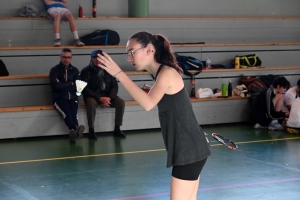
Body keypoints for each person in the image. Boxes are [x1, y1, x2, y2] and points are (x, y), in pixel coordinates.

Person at [95, 31, 211, 200]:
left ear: (149, 49)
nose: (130, 58)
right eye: (127, 54)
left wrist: (119, 74)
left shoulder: (167, 73)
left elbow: (148, 103)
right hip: (189, 148)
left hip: (188, 151)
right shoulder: (160, 75)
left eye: (132, 52)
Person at [80, 50, 126, 139]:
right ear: (91, 59)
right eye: (95, 58)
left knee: (120, 102)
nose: (97, 61)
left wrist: (110, 98)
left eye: (99, 58)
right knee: (91, 103)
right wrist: (99, 97)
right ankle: (91, 130)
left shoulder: (108, 69)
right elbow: (85, 88)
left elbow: (115, 85)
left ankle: (117, 128)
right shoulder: (85, 71)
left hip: (107, 95)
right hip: (92, 96)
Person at [49, 48, 85, 143]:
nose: (66, 59)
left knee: (74, 114)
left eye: (68, 57)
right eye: (64, 57)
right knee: (67, 113)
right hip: (60, 97)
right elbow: (56, 86)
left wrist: (63, 84)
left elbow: (78, 86)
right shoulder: (54, 70)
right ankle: (76, 129)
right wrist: (71, 83)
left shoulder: (75, 70)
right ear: (60, 57)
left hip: (73, 97)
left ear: (71, 58)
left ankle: (73, 130)